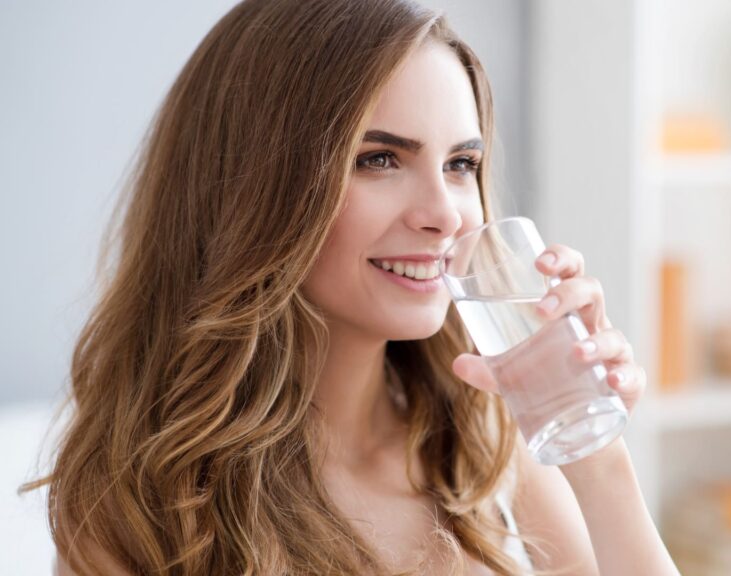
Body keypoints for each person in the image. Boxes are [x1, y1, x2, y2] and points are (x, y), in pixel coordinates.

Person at [22, 0, 680, 574]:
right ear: (255, 188)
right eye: (379, 159)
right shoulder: (137, 505)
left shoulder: (486, 443)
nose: (445, 213)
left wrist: (594, 450)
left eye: (461, 164)